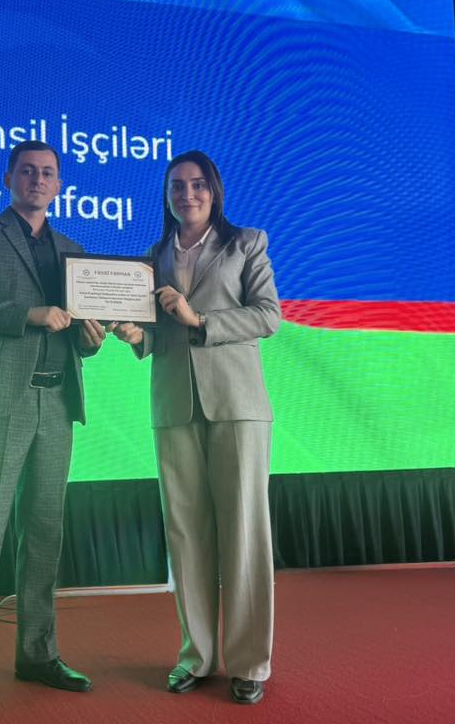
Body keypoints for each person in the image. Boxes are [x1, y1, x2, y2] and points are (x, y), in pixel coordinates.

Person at [0, 140, 106, 724]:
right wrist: (26, 315)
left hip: (57, 402)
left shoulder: (73, 252)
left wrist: (90, 338)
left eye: (48, 173)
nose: (37, 179)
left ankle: (37, 653)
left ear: (59, 185)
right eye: (27, 171)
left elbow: (80, 333)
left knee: (45, 534)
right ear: (8, 178)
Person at [113, 150, 280, 706]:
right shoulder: (152, 256)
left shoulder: (246, 243)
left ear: (215, 190)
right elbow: (153, 333)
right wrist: (136, 336)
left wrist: (199, 319)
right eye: (177, 186)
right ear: (166, 195)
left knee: (244, 532)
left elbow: (268, 315)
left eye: (198, 184)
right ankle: (196, 656)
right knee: (185, 534)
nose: (187, 194)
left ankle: (250, 662)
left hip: (237, 404)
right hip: (173, 404)